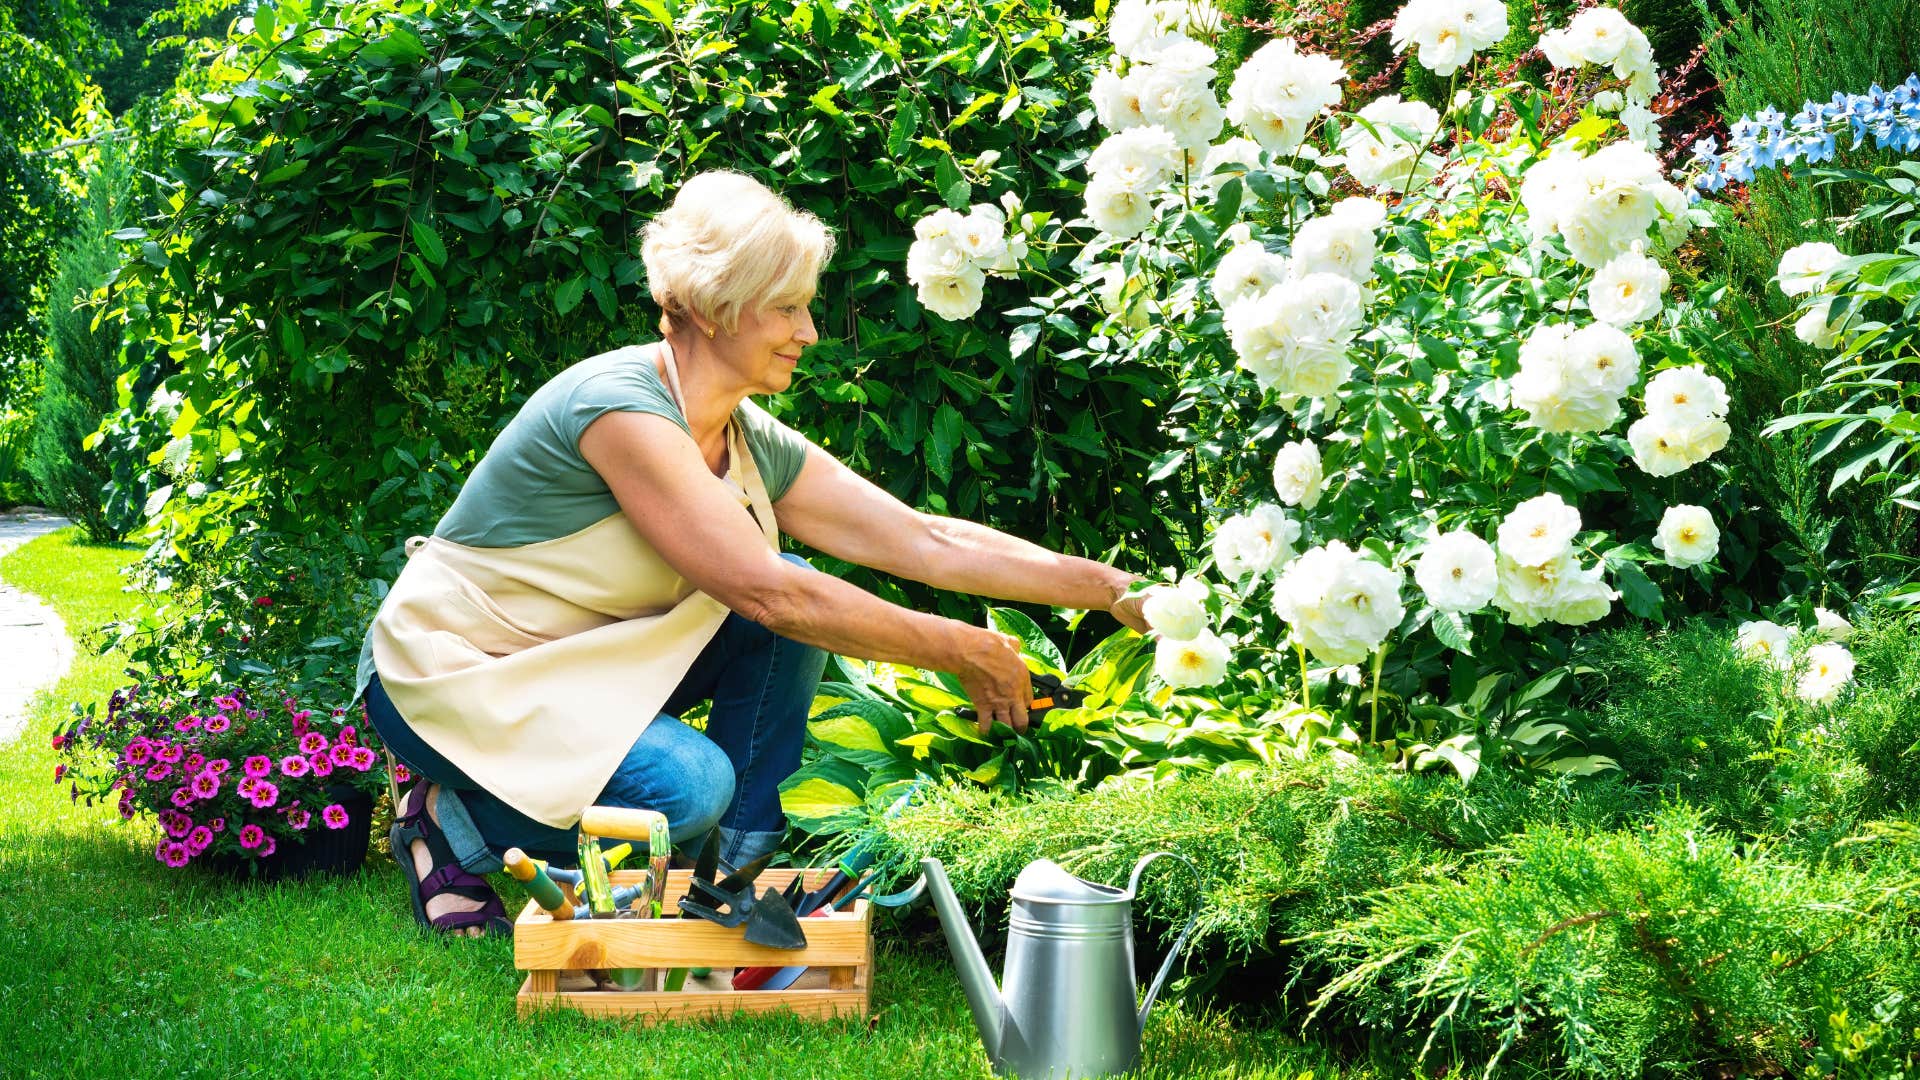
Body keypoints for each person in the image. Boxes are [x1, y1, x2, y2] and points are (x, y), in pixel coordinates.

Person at [355, 170, 1149, 937]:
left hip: (583, 671)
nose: (808, 332)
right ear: (714, 307)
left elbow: (923, 538)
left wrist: (1113, 589)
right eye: (787, 308)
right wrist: (963, 649)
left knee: (790, 605)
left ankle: (726, 879)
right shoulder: (617, 409)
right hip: (457, 675)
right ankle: (448, 822)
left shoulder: (740, 434)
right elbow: (770, 595)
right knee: (688, 787)